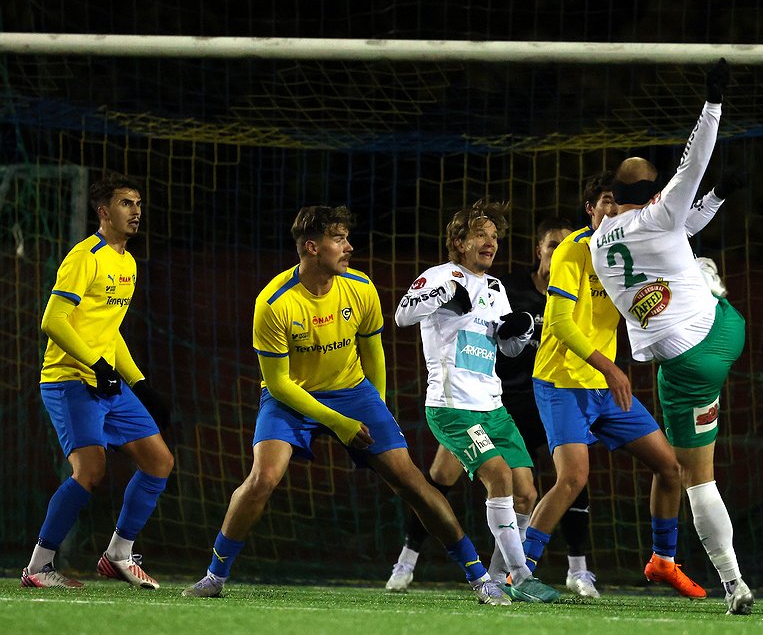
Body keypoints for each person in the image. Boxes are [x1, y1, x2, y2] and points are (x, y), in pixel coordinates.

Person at [182, 205, 507, 605]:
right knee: (263, 478)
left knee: (413, 483)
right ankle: (214, 576)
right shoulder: (273, 303)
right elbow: (280, 383)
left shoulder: (360, 287)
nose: (349, 246)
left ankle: (480, 578)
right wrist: (339, 424)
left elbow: (374, 352)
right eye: (339, 239)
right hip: (291, 398)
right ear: (312, 247)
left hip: (354, 392)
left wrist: (380, 407)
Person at [586, 60, 756, 616]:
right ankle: (712, 286)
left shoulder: (597, 241)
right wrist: (713, 102)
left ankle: (735, 585)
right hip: (722, 335)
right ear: (655, 191)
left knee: (694, 479)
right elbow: (695, 160)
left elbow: (676, 225)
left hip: (677, 365)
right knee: (701, 269)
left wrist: (715, 201)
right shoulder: (662, 213)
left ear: (612, 194)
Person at [523, 170, 735, 603]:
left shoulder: (631, 245)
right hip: (562, 382)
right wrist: (614, 369)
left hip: (603, 386)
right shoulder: (573, 250)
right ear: (591, 209)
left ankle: (663, 561)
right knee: (572, 479)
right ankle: (518, 572)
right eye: (604, 200)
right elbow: (561, 323)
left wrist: (715, 195)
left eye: (617, 201)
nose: (612, 208)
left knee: (670, 468)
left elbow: (681, 223)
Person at [385, 217, 591, 595]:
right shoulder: (439, 276)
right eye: (481, 235)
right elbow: (401, 316)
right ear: (460, 241)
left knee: (526, 492)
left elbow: (505, 346)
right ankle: (521, 576)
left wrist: (520, 331)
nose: (490, 242)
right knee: (497, 476)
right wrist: (445, 292)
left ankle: (498, 581)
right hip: (453, 405)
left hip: (493, 407)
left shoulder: (496, 287)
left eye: (495, 236)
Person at [21, 173, 173, 590]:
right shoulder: (84, 256)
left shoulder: (127, 262)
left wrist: (139, 383)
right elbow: (53, 320)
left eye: (138, 203)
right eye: (126, 203)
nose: (136, 211)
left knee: (159, 462)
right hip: (69, 379)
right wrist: (95, 364)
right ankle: (38, 566)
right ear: (104, 212)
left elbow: (109, 331)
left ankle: (118, 555)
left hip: (108, 383)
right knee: (91, 469)